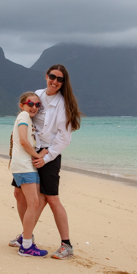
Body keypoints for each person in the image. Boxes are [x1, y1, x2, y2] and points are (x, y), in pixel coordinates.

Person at [9, 64, 83, 260]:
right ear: (46, 76)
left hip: (48, 155)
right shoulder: (38, 96)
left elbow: (64, 138)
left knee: (50, 198)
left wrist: (46, 157)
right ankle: (27, 236)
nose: (55, 81)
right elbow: (26, 117)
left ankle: (66, 245)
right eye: (53, 76)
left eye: (60, 79)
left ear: (63, 83)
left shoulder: (63, 104)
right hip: (30, 154)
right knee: (19, 194)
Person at [9, 92, 50, 257]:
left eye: (37, 105)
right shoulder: (24, 116)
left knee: (31, 202)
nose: (34, 107)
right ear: (22, 105)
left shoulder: (27, 118)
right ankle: (26, 246)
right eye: (30, 103)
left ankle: (24, 240)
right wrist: (39, 156)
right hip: (24, 166)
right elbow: (24, 141)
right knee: (34, 204)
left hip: (23, 166)